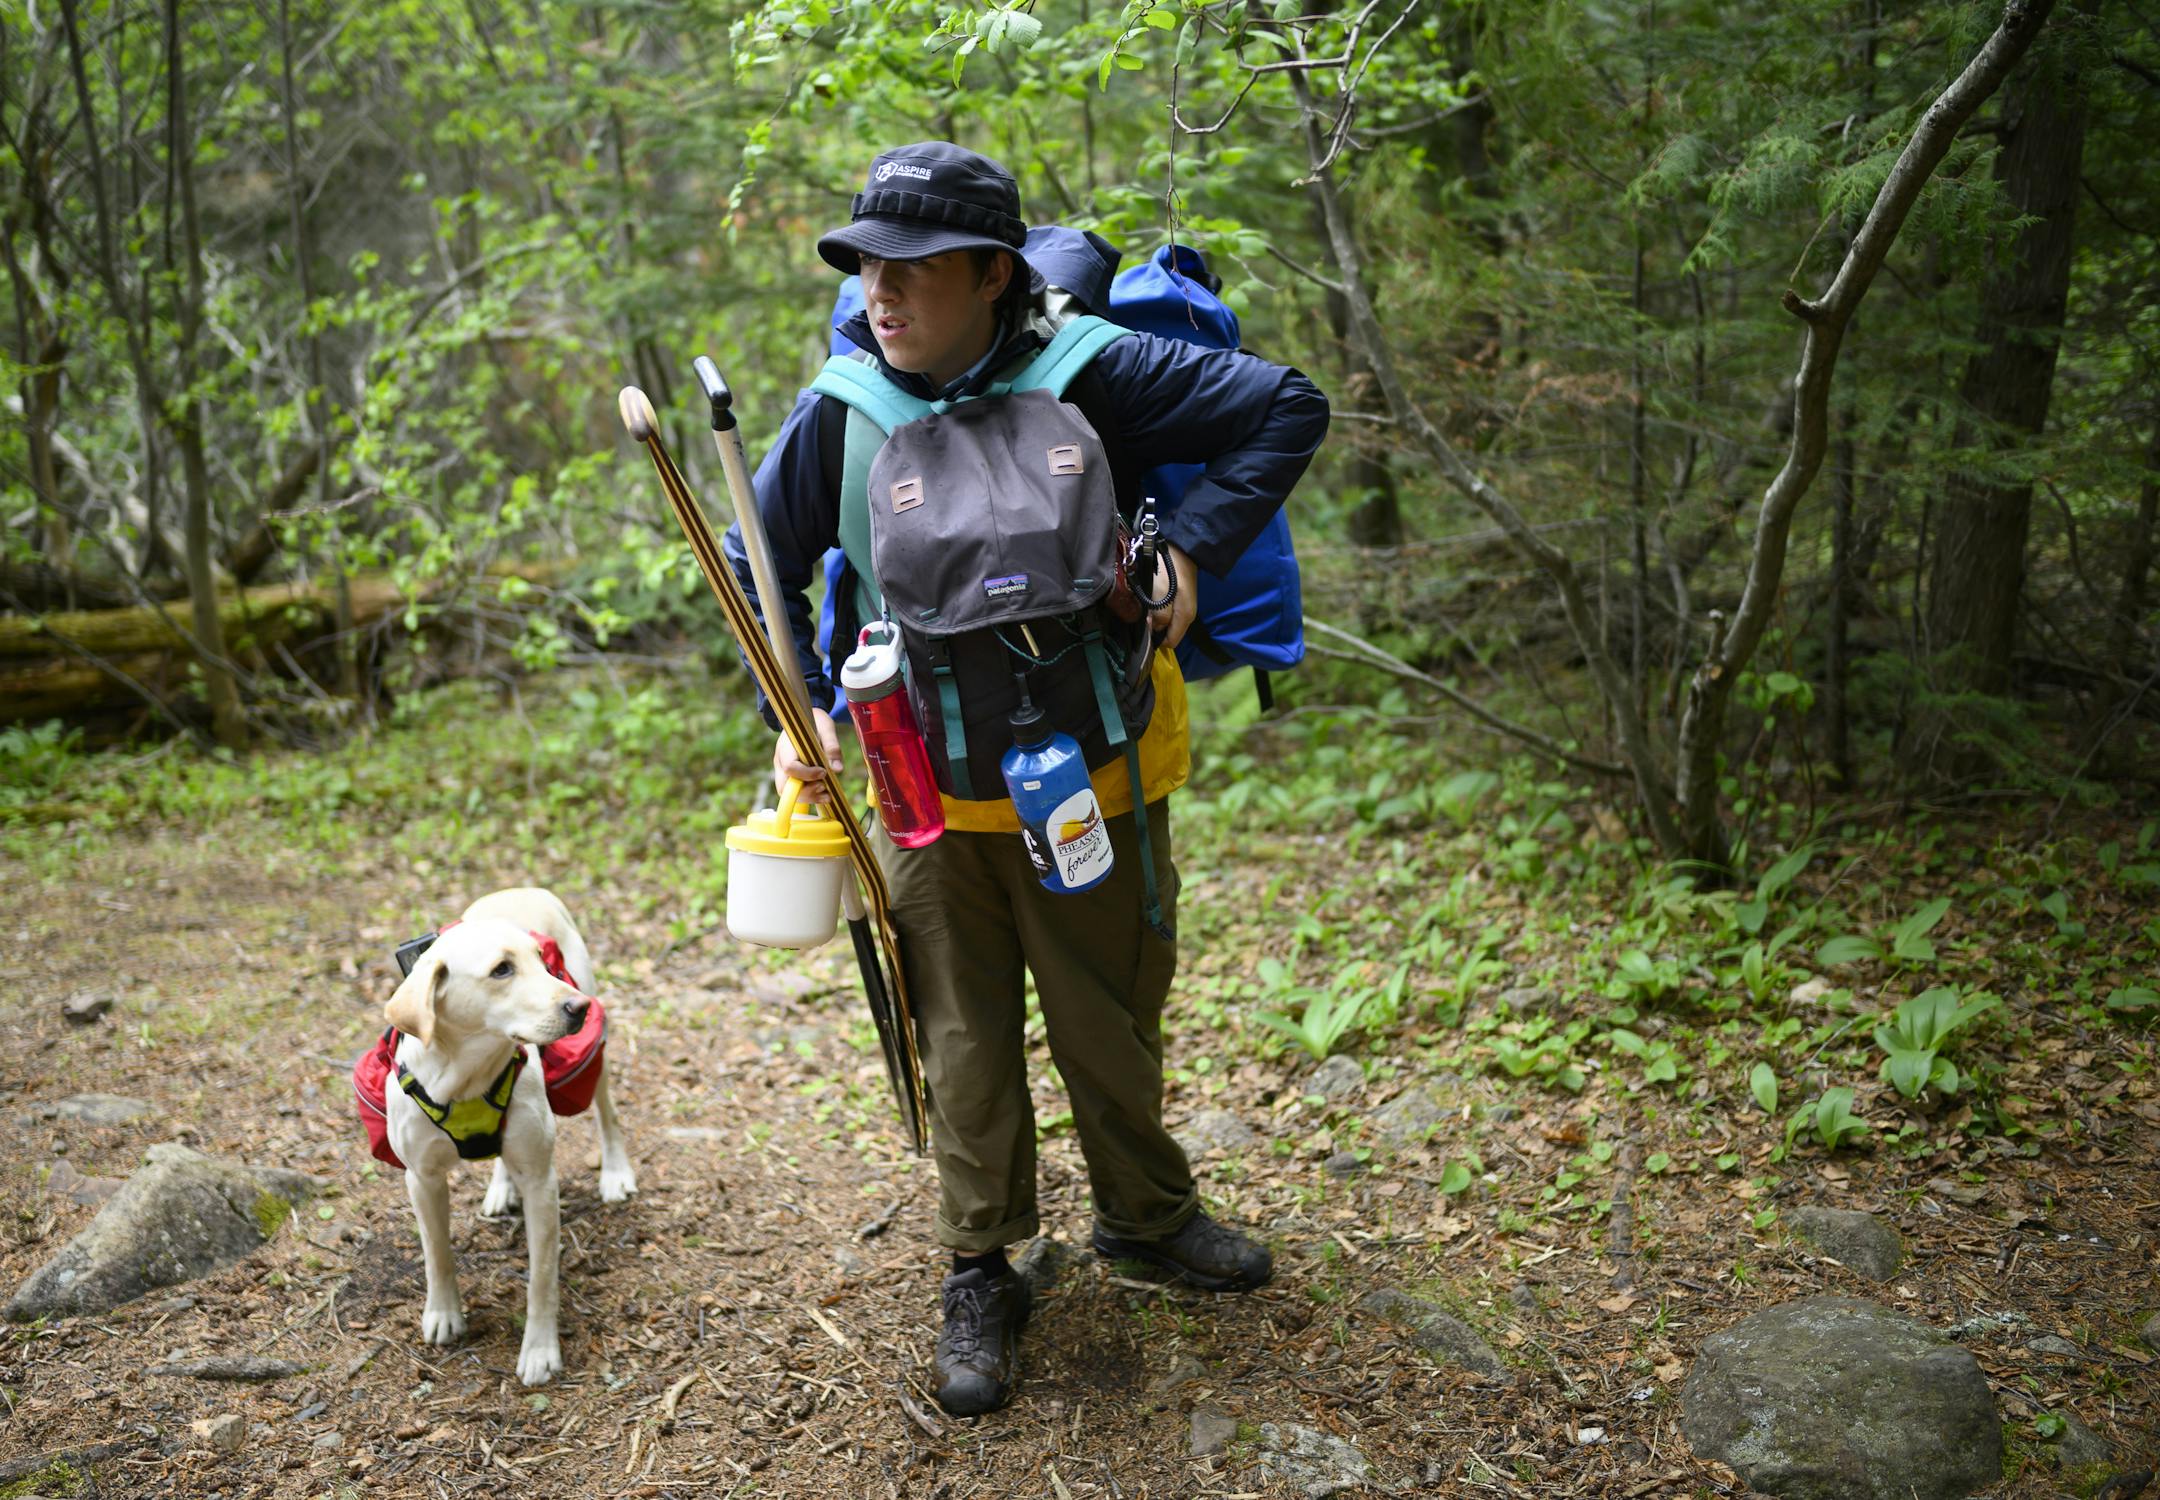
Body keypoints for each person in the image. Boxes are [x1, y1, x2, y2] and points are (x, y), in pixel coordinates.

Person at [723, 140, 1328, 1416]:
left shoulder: (1093, 374)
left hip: (1088, 778)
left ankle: (1147, 1220)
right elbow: (754, 556)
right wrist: (798, 705)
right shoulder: (842, 407)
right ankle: (983, 1266)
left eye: (915, 270)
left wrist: (1196, 555)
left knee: (1108, 1012)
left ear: (995, 274)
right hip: (921, 794)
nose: (882, 294)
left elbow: (1288, 405)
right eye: (865, 270)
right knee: (965, 1038)